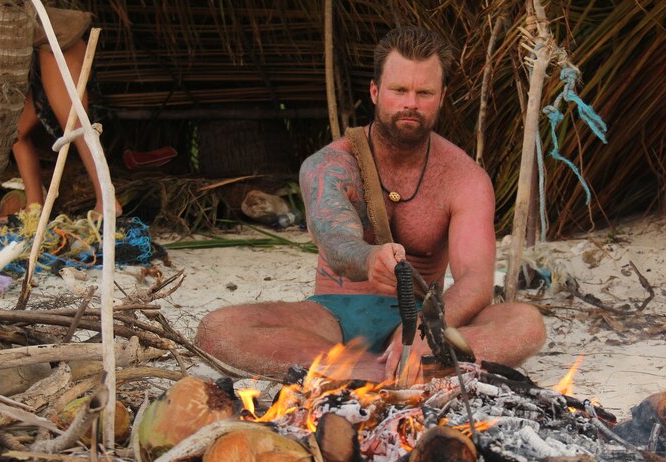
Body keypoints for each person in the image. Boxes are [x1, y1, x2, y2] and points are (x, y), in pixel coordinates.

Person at [196, 26, 545, 381]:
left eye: (424, 92)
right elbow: (333, 240)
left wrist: (427, 330)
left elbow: (475, 281)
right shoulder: (329, 165)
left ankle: (386, 366)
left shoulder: (465, 178)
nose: (411, 103)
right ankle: (376, 372)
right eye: (399, 90)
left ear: (441, 97)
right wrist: (368, 259)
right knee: (217, 329)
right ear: (376, 92)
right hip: (333, 318)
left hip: (424, 316)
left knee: (525, 323)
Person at [5, 7, 121, 217]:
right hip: (41, 53)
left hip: (59, 45)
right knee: (16, 133)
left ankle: (108, 201)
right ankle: (34, 206)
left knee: (76, 124)